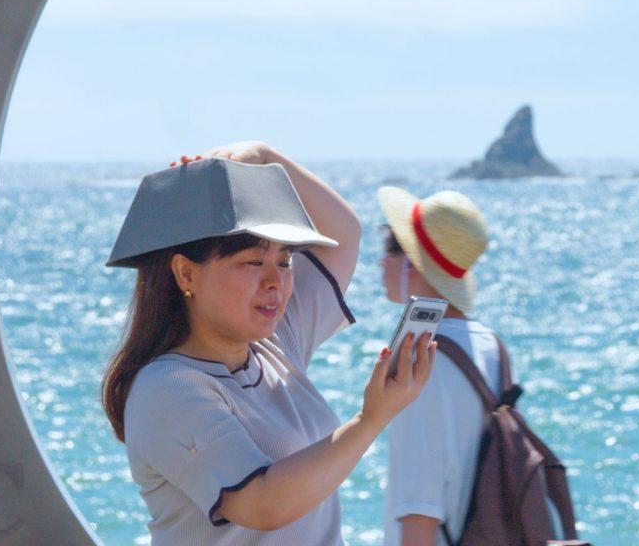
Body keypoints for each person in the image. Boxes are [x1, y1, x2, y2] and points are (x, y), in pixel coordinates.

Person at [102, 141, 436, 545]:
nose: (275, 282)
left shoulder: (276, 342)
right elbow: (261, 505)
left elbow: (344, 235)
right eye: (253, 262)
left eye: (285, 260)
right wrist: (371, 419)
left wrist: (261, 156)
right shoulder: (168, 386)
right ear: (186, 274)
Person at [376, 186, 498, 546]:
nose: (381, 262)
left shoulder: (422, 359)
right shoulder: (493, 346)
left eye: (389, 250)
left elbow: (420, 506)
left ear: (413, 263)